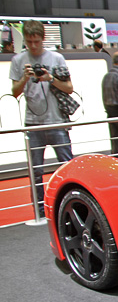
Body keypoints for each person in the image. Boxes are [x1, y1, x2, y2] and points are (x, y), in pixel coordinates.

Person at [9, 19, 74, 215]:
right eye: (29, 42)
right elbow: (14, 92)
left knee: (66, 166)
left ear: (43, 39)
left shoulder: (56, 58)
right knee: (36, 170)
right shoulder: (18, 61)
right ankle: (40, 210)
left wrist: (50, 79)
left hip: (56, 121)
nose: (33, 45)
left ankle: (70, 206)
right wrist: (25, 78)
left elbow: (69, 88)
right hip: (33, 123)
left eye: (36, 41)